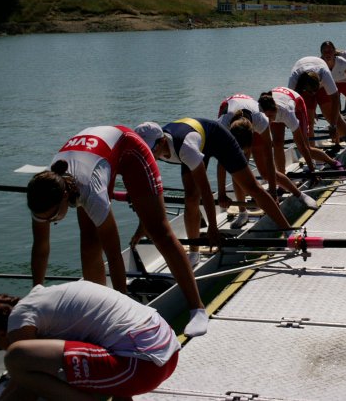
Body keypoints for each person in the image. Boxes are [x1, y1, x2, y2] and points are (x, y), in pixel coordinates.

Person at [26, 125, 208, 338]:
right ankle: (97, 310)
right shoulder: (42, 191)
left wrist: (123, 312)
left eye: (53, 218)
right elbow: (40, 248)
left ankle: (197, 308)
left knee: (159, 232)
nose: (49, 222)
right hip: (94, 159)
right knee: (89, 242)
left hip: (129, 150)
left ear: (65, 197)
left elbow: (113, 255)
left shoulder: (90, 191)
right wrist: (35, 296)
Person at [0, 280, 180, 400]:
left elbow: (25, 386)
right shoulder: (43, 300)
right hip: (166, 353)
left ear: (1, 334)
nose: (2, 350)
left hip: (142, 366)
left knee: (16, 357)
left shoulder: (19, 319)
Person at [134, 119, 294, 266]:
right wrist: (144, 224)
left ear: (162, 141)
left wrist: (213, 227)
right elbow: (147, 194)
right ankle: (194, 253)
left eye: (151, 149)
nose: (148, 154)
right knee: (190, 198)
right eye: (144, 149)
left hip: (217, 137)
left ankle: (288, 231)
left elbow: (206, 192)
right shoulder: (148, 152)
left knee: (252, 188)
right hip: (195, 143)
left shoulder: (185, 148)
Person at [218, 94, 319, 229]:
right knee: (237, 171)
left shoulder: (262, 121)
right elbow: (221, 163)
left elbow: (269, 158)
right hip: (229, 110)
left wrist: (273, 191)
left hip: (249, 115)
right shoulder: (222, 127)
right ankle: (243, 213)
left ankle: (300, 195)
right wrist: (222, 194)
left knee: (265, 172)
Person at [287, 56, 346, 164]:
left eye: (315, 92)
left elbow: (335, 100)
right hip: (303, 86)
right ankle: (311, 158)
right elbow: (289, 103)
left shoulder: (325, 75)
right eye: (311, 93)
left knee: (334, 117)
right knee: (308, 122)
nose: (314, 95)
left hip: (321, 84)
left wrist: (333, 125)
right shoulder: (294, 79)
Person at [258, 87, 342, 173]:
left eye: (270, 116)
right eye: (266, 116)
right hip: (276, 101)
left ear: (275, 110)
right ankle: (282, 175)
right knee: (277, 144)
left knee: (304, 147)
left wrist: (312, 172)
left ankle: (333, 163)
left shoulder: (287, 113)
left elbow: (302, 146)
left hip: (298, 105)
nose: (268, 120)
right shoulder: (259, 110)